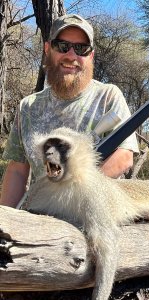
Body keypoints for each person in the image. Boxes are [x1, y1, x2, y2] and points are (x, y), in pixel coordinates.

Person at [0, 14, 139, 208]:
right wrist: (6, 221)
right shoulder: (28, 107)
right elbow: (17, 171)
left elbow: (124, 157)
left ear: (90, 56)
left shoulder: (108, 96)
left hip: (93, 209)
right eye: (62, 46)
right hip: (40, 216)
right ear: (47, 49)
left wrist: (72, 195)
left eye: (81, 49)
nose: (72, 56)